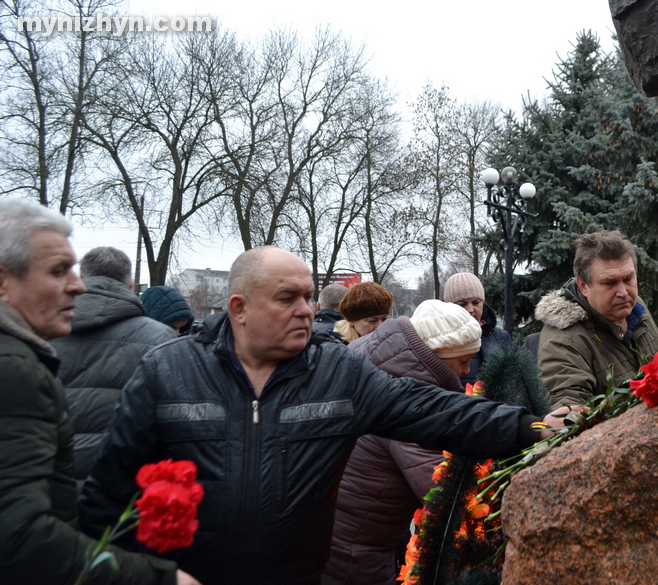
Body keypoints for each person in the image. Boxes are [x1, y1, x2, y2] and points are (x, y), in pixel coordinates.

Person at [78, 245, 571, 585]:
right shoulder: (167, 370)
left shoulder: (337, 372)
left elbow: (434, 410)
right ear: (238, 307)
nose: (306, 310)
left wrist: (531, 426)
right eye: (286, 298)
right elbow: (105, 499)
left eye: (309, 297)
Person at [0, 199, 199, 585]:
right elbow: (16, 538)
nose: (77, 285)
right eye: (59, 271)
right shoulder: (16, 368)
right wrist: (159, 578)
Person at [322, 299, 482, 585]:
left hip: (337, 535)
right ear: (436, 355)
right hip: (357, 554)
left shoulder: (374, 359)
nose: (466, 370)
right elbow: (442, 489)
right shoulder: (411, 400)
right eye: (462, 360)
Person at [50, 246, 177, 487]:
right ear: (130, 286)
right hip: (123, 493)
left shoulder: (42, 331)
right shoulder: (162, 340)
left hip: (50, 485)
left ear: (80, 279)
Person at [535, 230, 658, 407]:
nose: (623, 292)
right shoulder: (562, 342)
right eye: (609, 283)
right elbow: (569, 411)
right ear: (583, 286)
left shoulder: (636, 306)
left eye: (628, 279)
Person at [443, 272, 512, 387]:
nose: (470, 309)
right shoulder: (439, 338)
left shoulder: (501, 337)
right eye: (462, 304)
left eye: (476, 303)